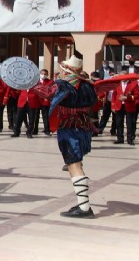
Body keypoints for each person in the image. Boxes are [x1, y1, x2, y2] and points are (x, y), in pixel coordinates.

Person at [29, 55, 106, 218]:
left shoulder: (63, 85)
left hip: (69, 128)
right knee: (75, 163)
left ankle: (84, 208)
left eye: (62, 70)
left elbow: (49, 93)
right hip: (85, 128)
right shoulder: (88, 86)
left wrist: (31, 83)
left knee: (74, 166)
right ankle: (82, 204)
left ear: (66, 72)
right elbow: (96, 104)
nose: (60, 72)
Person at [111, 73, 139, 145]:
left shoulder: (133, 84)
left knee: (130, 123)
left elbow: (137, 95)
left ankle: (130, 139)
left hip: (129, 106)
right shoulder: (117, 83)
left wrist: (127, 98)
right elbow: (114, 95)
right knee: (119, 122)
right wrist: (113, 106)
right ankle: (120, 138)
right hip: (119, 105)